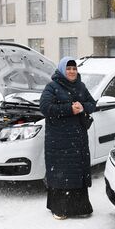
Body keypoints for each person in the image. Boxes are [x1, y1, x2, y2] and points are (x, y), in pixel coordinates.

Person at [39, 57, 96, 220]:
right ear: (62, 70)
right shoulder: (52, 86)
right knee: (61, 173)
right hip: (59, 139)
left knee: (77, 172)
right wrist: (69, 109)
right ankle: (60, 208)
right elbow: (45, 108)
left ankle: (80, 208)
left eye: (74, 68)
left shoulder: (81, 86)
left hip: (78, 138)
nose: (72, 71)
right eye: (68, 68)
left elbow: (93, 103)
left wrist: (84, 106)